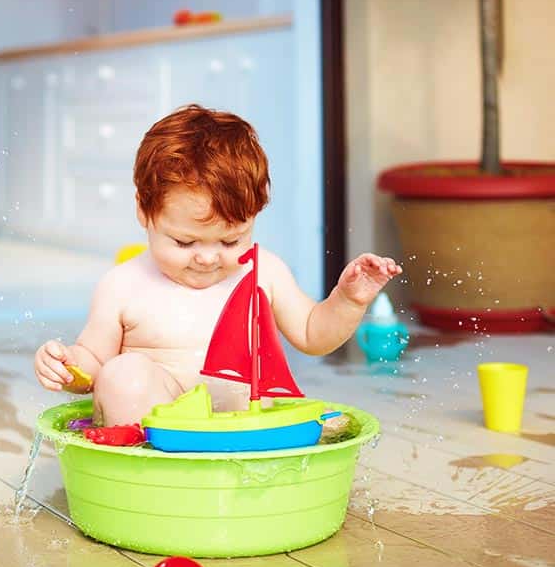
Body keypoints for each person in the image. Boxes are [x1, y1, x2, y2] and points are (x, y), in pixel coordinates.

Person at [33, 105, 402, 426]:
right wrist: (69, 366)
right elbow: (95, 360)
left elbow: (312, 333)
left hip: (242, 427)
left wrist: (349, 300)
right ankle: (150, 477)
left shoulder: (263, 271)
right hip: (159, 432)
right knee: (120, 376)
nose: (208, 258)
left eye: (230, 241)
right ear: (144, 213)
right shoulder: (123, 285)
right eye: (184, 242)